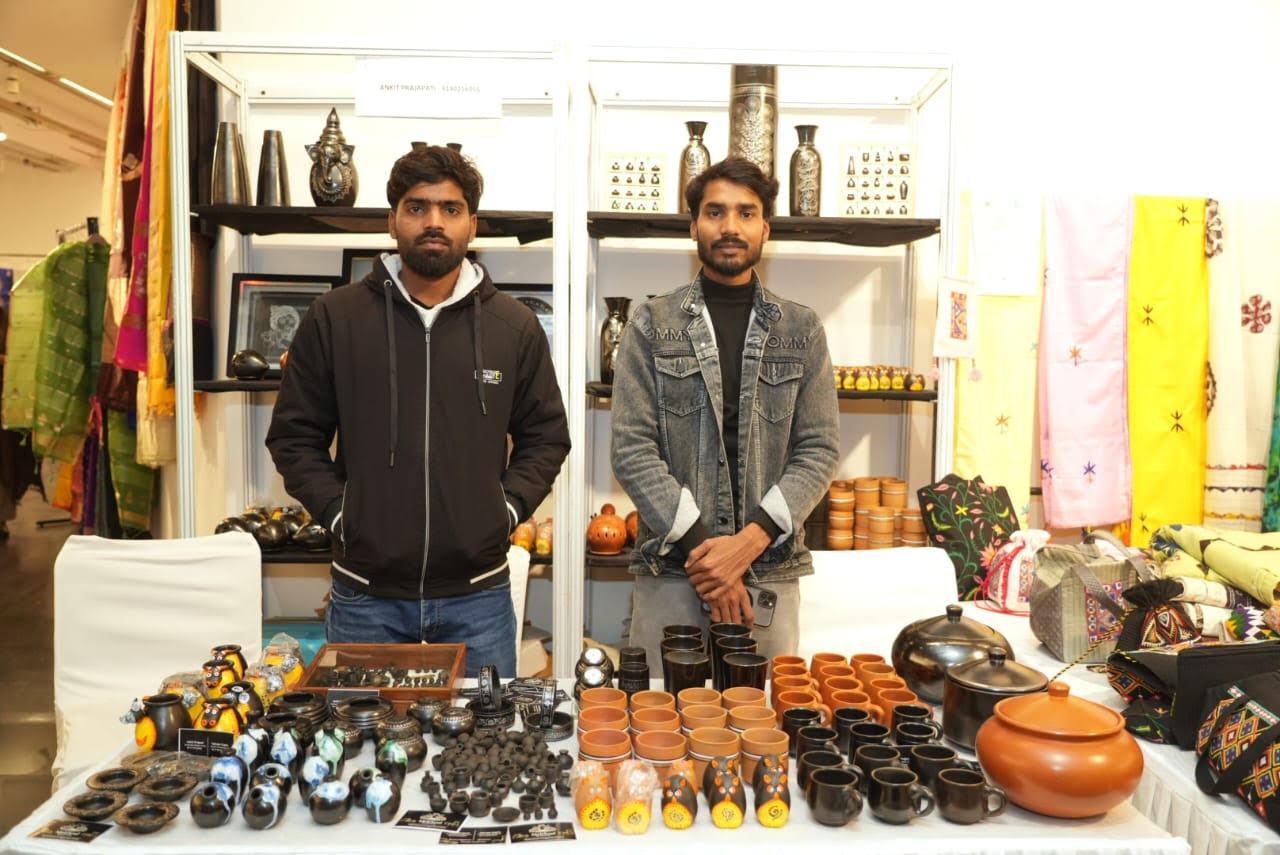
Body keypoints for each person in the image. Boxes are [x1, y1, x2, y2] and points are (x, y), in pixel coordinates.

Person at [266, 146, 570, 676]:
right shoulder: (335, 318)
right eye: (417, 207)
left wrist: (504, 511)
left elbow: (546, 436)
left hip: (478, 600)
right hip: (366, 600)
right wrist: (341, 514)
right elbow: (294, 437)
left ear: (472, 224)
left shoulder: (513, 326)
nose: (434, 222)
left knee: (482, 730)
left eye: (451, 209)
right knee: (361, 731)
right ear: (392, 221)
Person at [610, 156, 839, 666]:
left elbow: (819, 450)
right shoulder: (651, 324)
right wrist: (710, 559)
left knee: (763, 709)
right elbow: (631, 450)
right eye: (715, 212)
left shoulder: (801, 329)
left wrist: (747, 544)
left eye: (746, 213)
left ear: (766, 228)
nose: (730, 226)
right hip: (673, 573)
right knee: (662, 711)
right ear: (694, 225)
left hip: (769, 574)